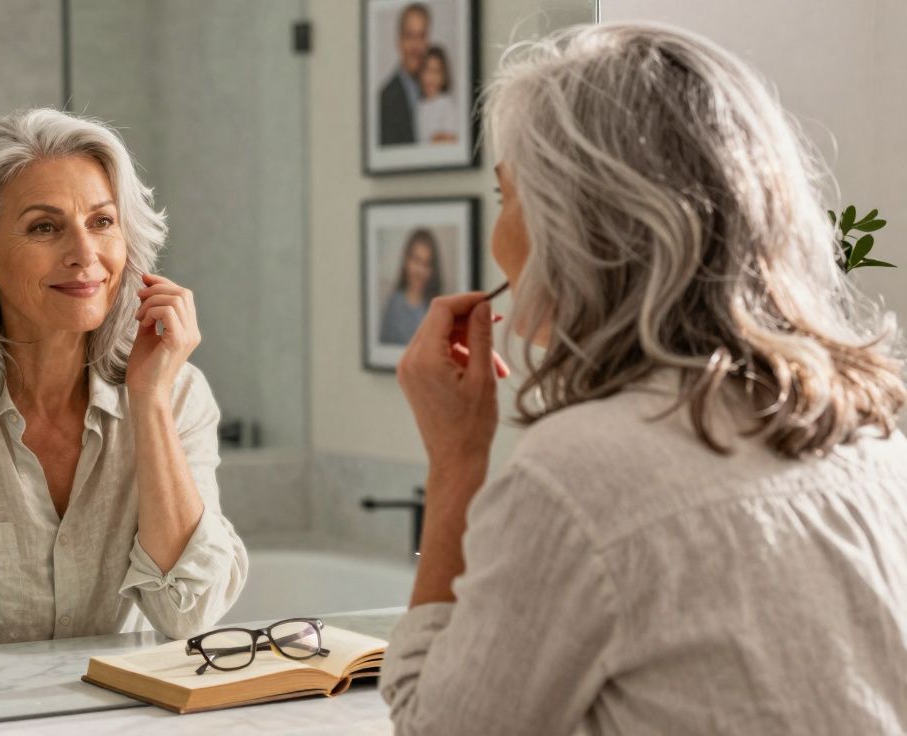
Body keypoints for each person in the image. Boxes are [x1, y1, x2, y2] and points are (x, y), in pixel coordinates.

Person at [381, 22, 907, 734]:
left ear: (575, 227)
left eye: (506, 197)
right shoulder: (872, 431)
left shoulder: (581, 474)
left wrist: (453, 462)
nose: (496, 234)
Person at [0, 108, 249, 650]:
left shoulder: (177, 394)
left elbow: (189, 615)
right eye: (44, 227)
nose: (85, 256)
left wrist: (149, 403)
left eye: (102, 222)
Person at [380, 228, 443, 345]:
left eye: (426, 264)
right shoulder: (393, 306)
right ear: (406, 261)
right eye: (416, 260)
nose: (420, 271)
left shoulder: (438, 310)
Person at [378, 3, 429, 146]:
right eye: (409, 36)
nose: (415, 46)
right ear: (399, 41)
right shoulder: (385, 98)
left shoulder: (435, 90)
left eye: (421, 36)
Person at [416, 46, 457, 144]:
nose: (430, 78)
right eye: (427, 71)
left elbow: (451, 138)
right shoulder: (419, 105)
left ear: (443, 77)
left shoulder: (446, 104)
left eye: (436, 72)